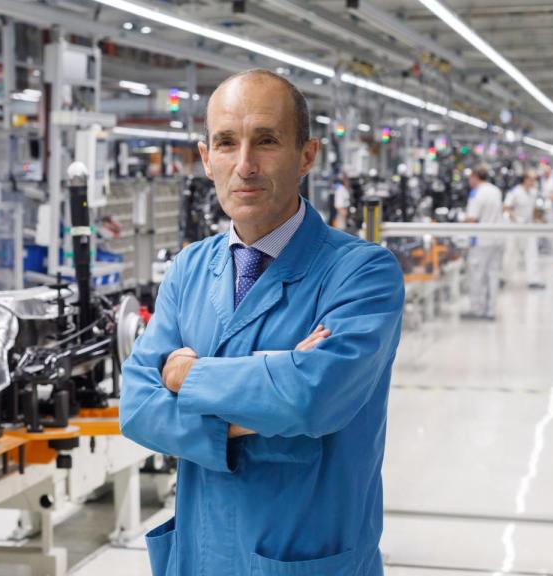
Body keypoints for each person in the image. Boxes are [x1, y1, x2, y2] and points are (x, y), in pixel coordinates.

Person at [119, 69, 405, 576]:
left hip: (305, 559)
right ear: (207, 159)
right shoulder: (188, 269)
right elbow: (139, 408)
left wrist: (186, 377)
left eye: (267, 141)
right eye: (227, 143)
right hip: (202, 556)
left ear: (307, 156)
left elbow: (312, 397)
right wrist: (270, 389)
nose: (244, 165)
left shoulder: (362, 273)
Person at [463, 164, 505, 319]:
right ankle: (491, 311)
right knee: (493, 275)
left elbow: (471, 219)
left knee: (477, 275)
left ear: (475, 177)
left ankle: (477, 310)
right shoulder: (495, 190)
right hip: (498, 238)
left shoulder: (477, 193)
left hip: (481, 241)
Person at [504, 171, 544, 289]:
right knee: (510, 252)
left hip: (529, 226)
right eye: (531, 179)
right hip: (515, 227)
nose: (533, 182)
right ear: (525, 180)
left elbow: (535, 209)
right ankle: (504, 277)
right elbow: (506, 208)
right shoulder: (514, 192)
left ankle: (533, 279)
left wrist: (538, 219)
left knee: (532, 252)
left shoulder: (533, 192)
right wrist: (517, 218)